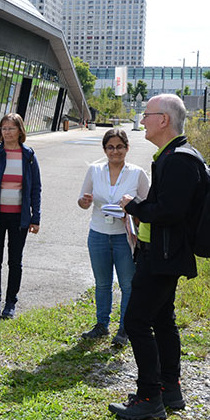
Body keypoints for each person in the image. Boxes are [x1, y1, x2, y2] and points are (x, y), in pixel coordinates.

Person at [110, 94, 203, 420]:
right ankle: (169, 389)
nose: (143, 119)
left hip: (163, 256)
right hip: (162, 252)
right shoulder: (172, 155)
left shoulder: (177, 159)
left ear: (163, 120)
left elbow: (169, 211)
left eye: (147, 114)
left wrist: (133, 205)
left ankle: (150, 395)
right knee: (163, 320)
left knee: (136, 320)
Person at [77, 128, 150, 347]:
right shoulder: (94, 170)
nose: (115, 151)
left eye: (119, 147)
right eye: (110, 147)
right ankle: (101, 325)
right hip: (98, 234)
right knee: (102, 283)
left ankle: (124, 329)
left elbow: (148, 207)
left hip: (124, 236)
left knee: (128, 284)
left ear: (127, 148)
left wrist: (133, 210)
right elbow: (82, 200)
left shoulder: (137, 173)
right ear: (104, 149)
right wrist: (85, 202)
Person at [0, 113, 41, 319]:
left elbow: (36, 189)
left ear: (20, 130)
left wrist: (35, 217)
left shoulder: (28, 156)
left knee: (15, 261)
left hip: (19, 219)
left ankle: (11, 302)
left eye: (11, 128)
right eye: (4, 128)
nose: (7, 132)